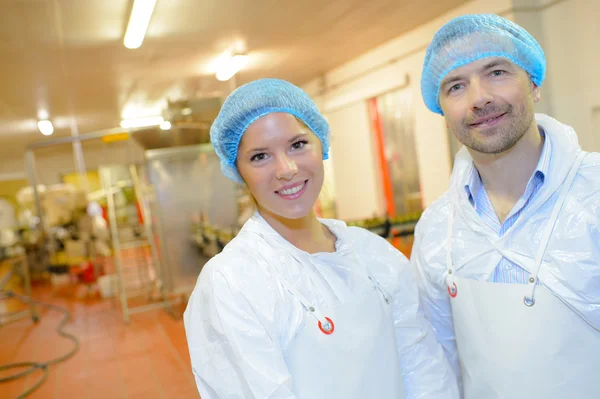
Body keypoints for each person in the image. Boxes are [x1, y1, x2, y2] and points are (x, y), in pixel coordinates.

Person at [183, 78, 458, 399]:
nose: (286, 169)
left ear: (322, 145)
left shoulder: (372, 253)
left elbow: (421, 363)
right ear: (237, 170)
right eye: (260, 156)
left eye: (298, 145)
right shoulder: (231, 282)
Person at [412, 13, 600, 399]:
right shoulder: (437, 229)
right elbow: (437, 363)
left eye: (496, 72)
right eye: (456, 86)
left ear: (533, 84)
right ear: (442, 111)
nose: (479, 97)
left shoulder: (594, 193)